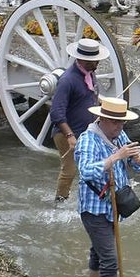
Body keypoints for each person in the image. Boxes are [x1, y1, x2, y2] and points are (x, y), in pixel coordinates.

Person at [75, 96, 140, 277]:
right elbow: (85, 170)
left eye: (122, 122)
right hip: (94, 208)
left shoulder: (119, 135)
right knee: (110, 258)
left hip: (112, 207)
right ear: (102, 119)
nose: (119, 126)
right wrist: (115, 157)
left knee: (98, 253)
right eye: (115, 122)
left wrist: (137, 159)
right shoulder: (87, 140)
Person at [49, 38, 107, 203]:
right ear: (81, 60)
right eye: (93, 61)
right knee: (69, 170)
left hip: (87, 131)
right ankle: (60, 202)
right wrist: (69, 135)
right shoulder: (67, 80)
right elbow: (56, 112)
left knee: (94, 166)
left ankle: (93, 197)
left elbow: (92, 98)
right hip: (66, 132)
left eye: (96, 60)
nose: (96, 64)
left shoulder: (90, 74)